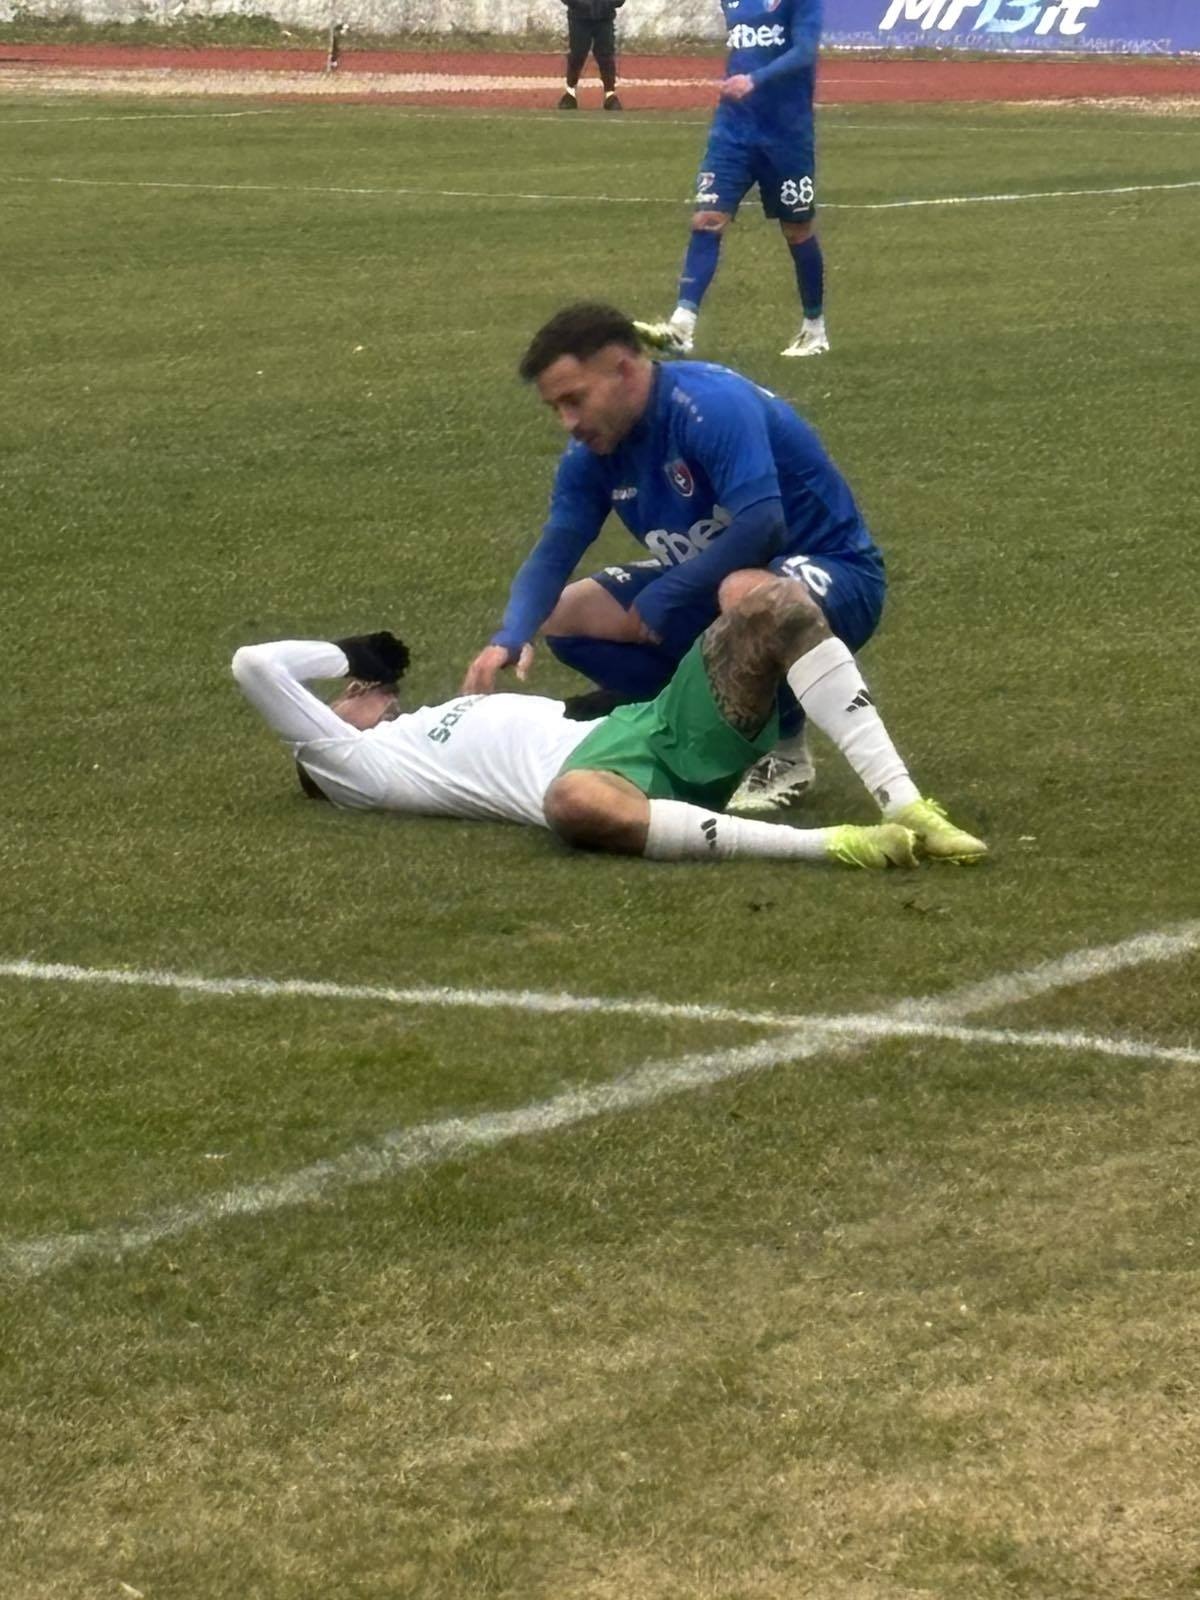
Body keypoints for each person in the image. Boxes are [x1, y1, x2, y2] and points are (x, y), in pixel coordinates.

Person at [460, 303, 982, 859]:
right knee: (566, 615)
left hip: (832, 571)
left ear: (623, 370)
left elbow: (762, 524)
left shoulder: (709, 405)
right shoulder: (593, 452)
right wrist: (511, 634)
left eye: (574, 400)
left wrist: (669, 593)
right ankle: (697, 748)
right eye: (555, 408)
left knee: (744, 593)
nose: (568, 421)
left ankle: (806, 758)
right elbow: (558, 545)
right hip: (715, 579)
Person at [231, 589, 928, 869]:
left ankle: (909, 805)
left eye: (352, 683)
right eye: (341, 698)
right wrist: (350, 655)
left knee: (768, 605)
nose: (355, 692)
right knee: (569, 803)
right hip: (603, 784)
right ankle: (831, 846)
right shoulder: (354, 769)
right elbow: (256, 665)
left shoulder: (429, 723)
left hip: (644, 728)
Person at [634, 0, 827, 359]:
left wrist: (754, 80)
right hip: (732, 130)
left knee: (798, 230)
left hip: (787, 135)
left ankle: (814, 329)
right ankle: (682, 327)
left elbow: (804, 52)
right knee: (707, 219)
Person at [558, 0, 625, 113]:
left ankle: (610, 95)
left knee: (606, 55)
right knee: (577, 54)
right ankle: (570, 93)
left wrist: (609, 4)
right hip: (579, 17)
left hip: (604, 17)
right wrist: (577, 4)